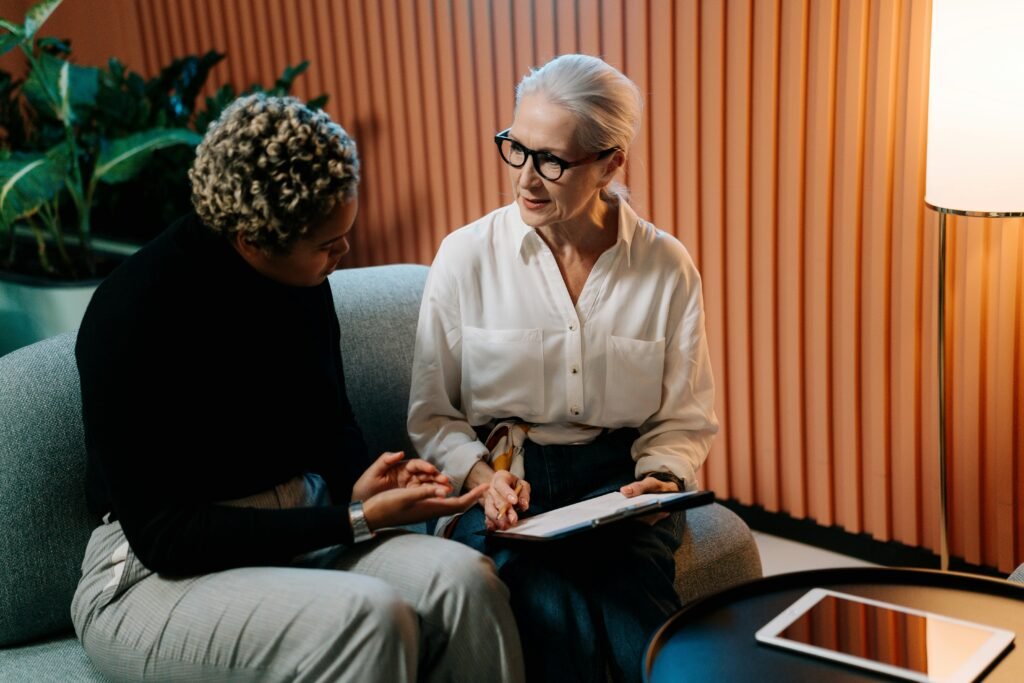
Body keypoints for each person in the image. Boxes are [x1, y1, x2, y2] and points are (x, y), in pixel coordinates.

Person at [72, 94, 524, 683]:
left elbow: (329, 423)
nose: (345, 253)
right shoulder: (130, 315)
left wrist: (360, 482)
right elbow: (167, 537)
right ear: (253, 241)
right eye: (328, 245)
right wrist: (355, 518)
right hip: (151, 576)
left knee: (466, 582)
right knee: (369, 618)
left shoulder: (303, 283)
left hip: (292, 528)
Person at [407, 54, 718, 682]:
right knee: (554, 617)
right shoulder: (465, 257)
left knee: (648, 638)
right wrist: (478, 476)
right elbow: (433, 413)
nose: (526, 179)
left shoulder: (665, 266)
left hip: (619, 484)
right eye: (516, 149)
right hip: (504, 481)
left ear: (610, 163)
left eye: (551, 160)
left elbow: (682, 416)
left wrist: (663, 474)